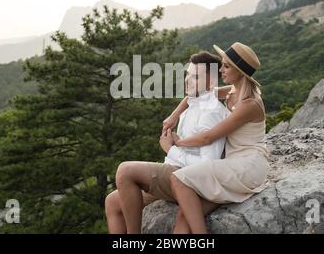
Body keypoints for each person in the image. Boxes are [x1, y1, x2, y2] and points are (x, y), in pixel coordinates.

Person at [105, 51, 228, 234]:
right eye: (187, 74)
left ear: (210, 84)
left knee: (125, 171)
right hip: (174, 172)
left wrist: (171, 149)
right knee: (112, 202)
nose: (187, 80)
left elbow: (207, 167)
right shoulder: (192, 105)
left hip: (189, 180)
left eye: (195, 77)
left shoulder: (211, 113)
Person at [164, 42, 270, 234]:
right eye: (222, 64)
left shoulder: (250, 104)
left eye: (226, 66)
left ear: (239, 71)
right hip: (231, 163)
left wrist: (177, 143)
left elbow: (208, 137)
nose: (220, 69)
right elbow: (195, 96)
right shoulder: (232, 91)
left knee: (178, 179)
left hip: (247, 165)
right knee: (184, 216)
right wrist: (172, 117)